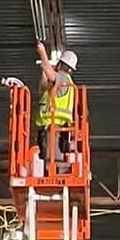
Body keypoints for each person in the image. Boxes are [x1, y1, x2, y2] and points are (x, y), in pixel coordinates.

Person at [34, 41, 77, 173]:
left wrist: (42, 52)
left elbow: (50, 73)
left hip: (54, 127)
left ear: (60, 64)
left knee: (51, 163)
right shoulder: (63, 83)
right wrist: (44, 68)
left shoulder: (63, 79)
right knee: (49, 161)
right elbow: (43, 87)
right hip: (52, 128)